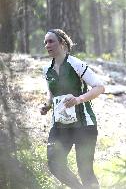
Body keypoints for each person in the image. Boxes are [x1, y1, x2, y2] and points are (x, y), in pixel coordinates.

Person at [40, 29, 105, 189]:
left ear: (62, 43)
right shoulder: (46, 69)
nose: (47, 45)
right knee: (54, 163)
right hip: (60, 125)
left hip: (85, 125)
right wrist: (47, 106)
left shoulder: (76, 64)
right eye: (45, 42)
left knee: (85, 170)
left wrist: (78, 99)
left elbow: (100, 87)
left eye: (51, 41)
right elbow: (52, 94)